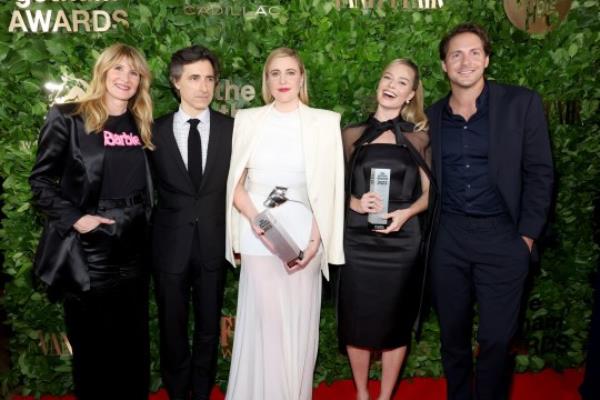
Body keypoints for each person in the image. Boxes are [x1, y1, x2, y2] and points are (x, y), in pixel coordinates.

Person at [427, 23, 554, 400]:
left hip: (504, 237)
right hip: (449, 239)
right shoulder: (431, 117)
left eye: (473, 53)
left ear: (486, 59)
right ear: (444, 66)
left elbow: (541, 172)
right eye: (456, 54)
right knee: (453, 337)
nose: (465, 61)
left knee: (497, 340)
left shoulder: (522, 103)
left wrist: (526, 237)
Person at [29, 43, 154, 400]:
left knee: (133, 343)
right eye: (118, 69)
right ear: (102, 72)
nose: (125, 78)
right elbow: (40, 181)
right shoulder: (68, 117)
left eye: (133, 72)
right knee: (93, 342)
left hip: (134, 244)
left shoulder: (141, 123)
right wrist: (77, 219)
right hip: (90, 247)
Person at [224, 47, 345, 400]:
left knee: (297, 326)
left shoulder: (325, 122)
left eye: (290, 72)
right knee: (269, 326)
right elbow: (236, 182)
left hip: (305, 237)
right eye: (274, 73)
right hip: (257, 235)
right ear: (266, 80)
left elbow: (331, 190)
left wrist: (313, 244)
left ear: (302, 77)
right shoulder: (248, 120)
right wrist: (258, 222)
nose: (282, 80)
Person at [338, 59, 432, 400]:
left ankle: (385, 396)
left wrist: (406, 214)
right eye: (388, 78)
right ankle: (362, 392)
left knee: (396, 320)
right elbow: (331, 186)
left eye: (402, 82)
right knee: (356, 319)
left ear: (410, 95)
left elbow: (430, 192)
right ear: (379, 84)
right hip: (358, 240)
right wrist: (356, 204)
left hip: (402, 242)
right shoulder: (350, 135)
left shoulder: (419, 138)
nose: (392, 85)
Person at [148, 45, 233, 400]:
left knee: (209, 328)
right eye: (194, 78)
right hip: (169, 247)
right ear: (176, 83)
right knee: (172, 327)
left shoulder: (234, 129)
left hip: (215, 243)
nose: (203, 87)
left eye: (209, 78)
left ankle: (201, 391)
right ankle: (177, 391)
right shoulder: (153, 131)